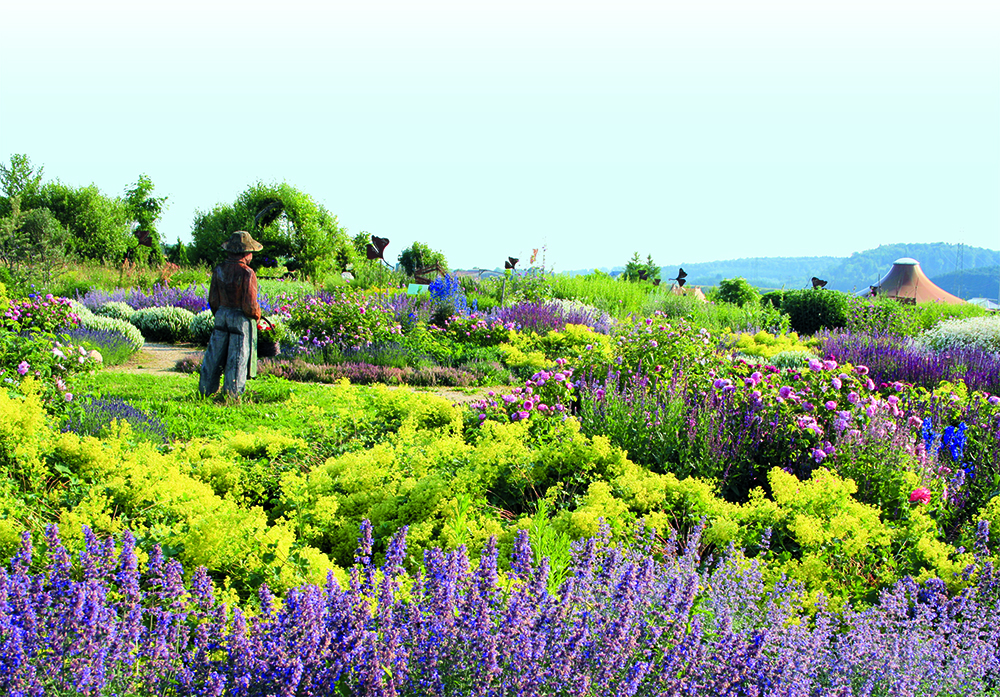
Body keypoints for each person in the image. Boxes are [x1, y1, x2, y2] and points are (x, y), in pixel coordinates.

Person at [199, 231, 263, 396]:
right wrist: (257, 315)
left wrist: (220, 314)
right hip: (239, 320)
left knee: (213, 355)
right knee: (237, 357)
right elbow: (249, 305)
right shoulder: (247, 273)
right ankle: (232, 394)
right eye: (250, 252)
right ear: (244, 253)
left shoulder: (219, 270)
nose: (251, 256)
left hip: (221, 315)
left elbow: (213, 299)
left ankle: (205, 390)